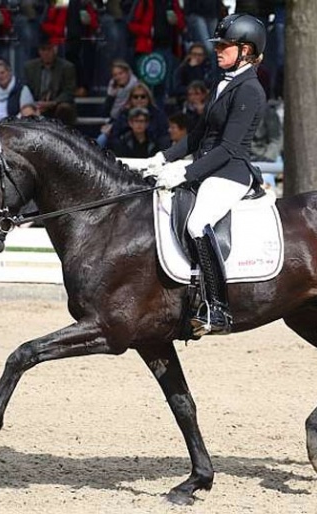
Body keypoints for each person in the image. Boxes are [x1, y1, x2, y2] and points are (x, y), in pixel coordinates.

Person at [143, 13, 267, 336]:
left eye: (226, 45)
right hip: (207, 167)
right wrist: (162, 158)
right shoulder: (221, 82)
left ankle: (218, 308)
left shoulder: (250, 90)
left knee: (198, 223)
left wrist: (185, 172)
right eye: (219, 44)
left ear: (247, 50)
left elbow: (227, 148)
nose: (218, 49)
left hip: (231, 172)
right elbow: (197, 135)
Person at [23, 39, 78, 126]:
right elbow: (26, 88)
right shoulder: (30, 67)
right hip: (37, 103)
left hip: (57, 104)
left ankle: (62, 134)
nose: (46, 53)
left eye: (49, 50)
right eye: (43, 50)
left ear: (55, 50)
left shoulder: (67, 67)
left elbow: (69, 91)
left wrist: (53, 103)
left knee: (65, 108)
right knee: (26, 108)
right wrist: (35, 104)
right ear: (39, 51)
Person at [107, 83, 170, 150]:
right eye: (135, 97)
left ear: (148, 98)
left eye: (143, 96)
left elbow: (164, 136)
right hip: (126, 151)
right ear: (130, 99)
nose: (139, 99)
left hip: (153, 151)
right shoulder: (123, 114)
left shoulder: (158, 115)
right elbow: (114, 136)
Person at [97, 60, 139, 148]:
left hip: (131, 125)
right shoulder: (112, 88)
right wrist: (111, 95)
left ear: (128, 72)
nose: (118, 77)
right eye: (115, 75)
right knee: (101, 140)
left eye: (121, 73)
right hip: (116, 123)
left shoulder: (137, 88)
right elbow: (104, 113)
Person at [0, 60, 35, 125]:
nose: (0, 76)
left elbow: (27, 111)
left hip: (16, 127)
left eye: (2, 73)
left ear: (9, 72)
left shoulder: (22, 89)